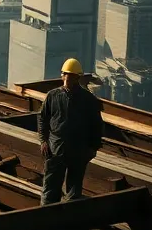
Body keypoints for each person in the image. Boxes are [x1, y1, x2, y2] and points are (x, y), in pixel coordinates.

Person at [38, 58, 104, 204]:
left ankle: (69, 220)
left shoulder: (88, 100)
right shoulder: (52, 96)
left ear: (77, 78)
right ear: (62, 75)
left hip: (79, 150)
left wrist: (93, 148)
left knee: (73, 192)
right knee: (50, 189)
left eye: (71, 76)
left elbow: (97, 125)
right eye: (65, 75)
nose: (67, 78)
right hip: (56, 148)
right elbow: (43, 118)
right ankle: (46, 218)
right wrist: (43, 141)